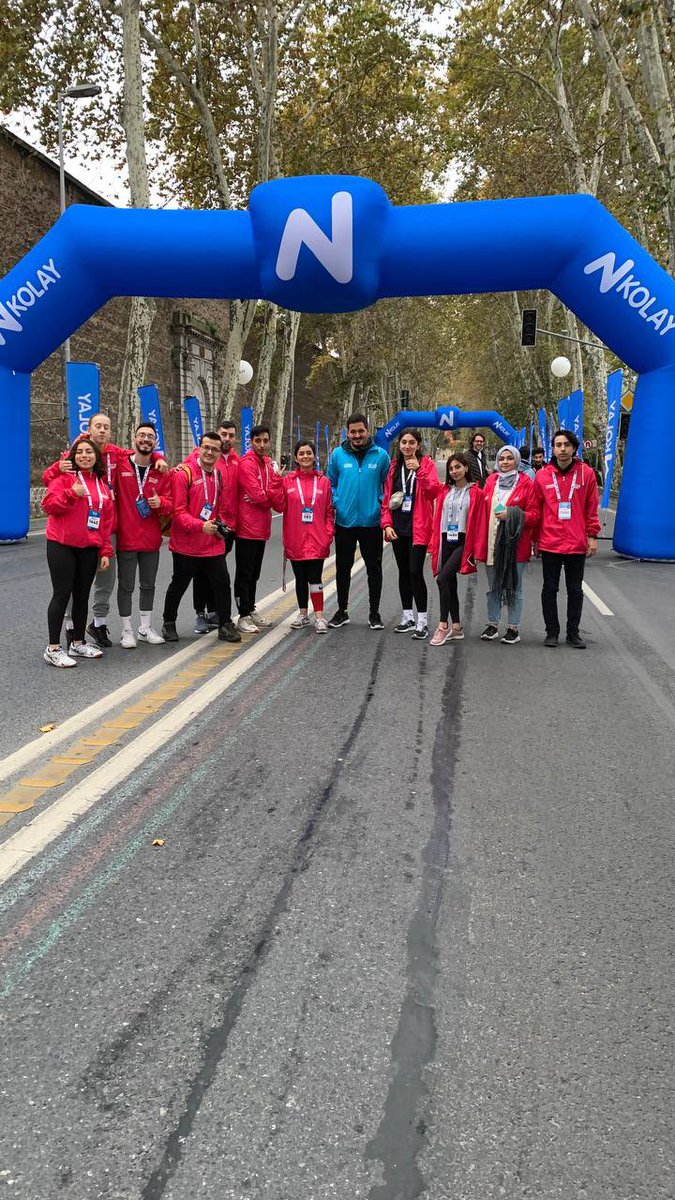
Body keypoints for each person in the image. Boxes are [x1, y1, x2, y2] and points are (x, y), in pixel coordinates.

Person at [42, 412, 167, 648]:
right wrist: (58, 468)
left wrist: (158, 456)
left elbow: (141, 452)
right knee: (69, 584)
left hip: (105, 522)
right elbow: (49, 479)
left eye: (106, 427)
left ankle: (97, 623)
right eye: (97, 426)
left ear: (110, 432)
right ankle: (69, 627)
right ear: (89, 429)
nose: (101, 430)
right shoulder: (77, 452)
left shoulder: (117, 454)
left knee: (105, 579)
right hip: (72, 527)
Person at [161, 431, 241, 643]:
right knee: (179, 585)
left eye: (214, 449)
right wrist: (200, 526)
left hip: (212, 543)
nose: (210, 452)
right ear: (199, 448)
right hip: (186, 545)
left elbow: (215, 507)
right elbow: (178, 512)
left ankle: (225, 624)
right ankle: (168, 622)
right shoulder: (184, 473)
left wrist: (221, 526)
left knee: (223, 583)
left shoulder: (218, 475)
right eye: (206, 447)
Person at [42, 437, 114, 667]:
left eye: (89, 452)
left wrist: (105, 550)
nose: (84, 455)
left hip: (89, 547)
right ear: (74, 456)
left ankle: (78, 642)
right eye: (80, 452)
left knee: (82, 596)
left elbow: (105, 522)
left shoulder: (102, 485)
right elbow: (49, 506)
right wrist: (71, 493)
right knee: (62, 594)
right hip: (62, 544)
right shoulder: (64, 478)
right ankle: (53, 648)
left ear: (96, 457)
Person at [533, 428, 601, 649]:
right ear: (553, 448)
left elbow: (592, 507)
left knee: (575, 590)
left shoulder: (586, 474)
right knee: (549, 589)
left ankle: (573, 633)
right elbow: (536, 509)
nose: (562, 449)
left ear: (574, 448)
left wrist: (592, 535)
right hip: (550, 541)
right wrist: (535, 540)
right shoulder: (543, 475)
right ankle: (551, 632)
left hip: (576, 542)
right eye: (558, 445)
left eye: (566, 445)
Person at [326, 412, 391, 629]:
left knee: (374, 568)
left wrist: (380, 502)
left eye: (360, 431)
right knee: (342, 568)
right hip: (344, 522)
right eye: (352, 431)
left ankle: (374, 613)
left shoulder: (381, 455)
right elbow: (330, 483)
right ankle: (342, 611)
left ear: (367, 431)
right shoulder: (337, 455)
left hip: (371, 523)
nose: (356, 435)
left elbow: (388, 486)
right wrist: (337, 501)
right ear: (348, 432)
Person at [468, 445, 537, 645]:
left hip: (515, 546)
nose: (505, 462)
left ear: (517, 460)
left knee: (514, 587)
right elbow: (480, 510)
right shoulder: (491, 481)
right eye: (501, 458)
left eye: (509, 458)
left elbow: (534, 515)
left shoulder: (526, 483)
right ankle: (492, 624)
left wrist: (513, 514)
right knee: (494, 585)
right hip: (491, 543)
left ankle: (513, 627)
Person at [114, 422, 173, 648]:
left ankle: (145, 628)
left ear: (155, 442)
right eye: (141, 436)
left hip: (150, 539)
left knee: (148, 585)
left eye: (150, 436)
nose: (145, 439)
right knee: (126, 586)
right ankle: (126, 630)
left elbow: (171, 503)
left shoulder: (161, 470)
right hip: (127, 538)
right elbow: (104, 446)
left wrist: (161, 503)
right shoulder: (121, 465)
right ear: (134, 439)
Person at [381, 428, 441, 640]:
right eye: (404, 442)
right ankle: (407, 616)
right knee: (403, 573)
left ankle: (423, 621)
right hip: (398, 527)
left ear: (418, 445)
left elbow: (434, 491)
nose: (407, 446)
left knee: (415, 572)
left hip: (419, 528)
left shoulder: (427, 465)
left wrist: (420, 471)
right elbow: (388, 497)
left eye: (411, 443)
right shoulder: (394, 467)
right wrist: (386, 524)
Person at [234, 424, 285, 633]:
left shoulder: (267, 464)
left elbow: (275, 500)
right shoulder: (246, 464)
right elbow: (259, 496)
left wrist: (267, 493)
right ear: (251, 442)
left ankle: (251, 608)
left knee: (254, 573)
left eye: (265, 441)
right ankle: (243, 615)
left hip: (262, 527)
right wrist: (266, 495)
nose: (262, 445)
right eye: (258, 441)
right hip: (246, 528)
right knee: (244, 574)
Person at [191, 420, 240, 634]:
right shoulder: (201, 457)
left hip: (227, 527)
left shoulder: (240, 461)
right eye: (224, 434)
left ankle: (215, 613)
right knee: (201, 573)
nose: (227, 438)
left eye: (231, 435)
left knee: (217, 573)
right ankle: (200, 614)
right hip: (204, 526)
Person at [428, 452, 482, 645]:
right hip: (445, 540)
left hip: (462, 541)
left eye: (458, 467)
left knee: (442, 579)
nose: (454, 471)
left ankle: (443, 626)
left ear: (466, 468)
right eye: (451, 469)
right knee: (449, 583)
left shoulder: (476, 492)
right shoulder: (445, 491)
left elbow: (480, 522)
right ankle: (457, 627)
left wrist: (478, 550)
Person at [281, 441, 335, 634]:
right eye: (301, 453)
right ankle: (303, 614)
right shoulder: (287, 482)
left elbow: (329, 511)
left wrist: (328, 534)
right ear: (296, 458)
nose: (305, 456)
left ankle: (320, 616)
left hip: (317, 539)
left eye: (309, 453)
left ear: (314, 456)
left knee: (315, 578)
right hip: (295, 539)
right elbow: (279, 506)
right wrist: (275, 482)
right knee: (300, 578)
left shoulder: (324, 482)